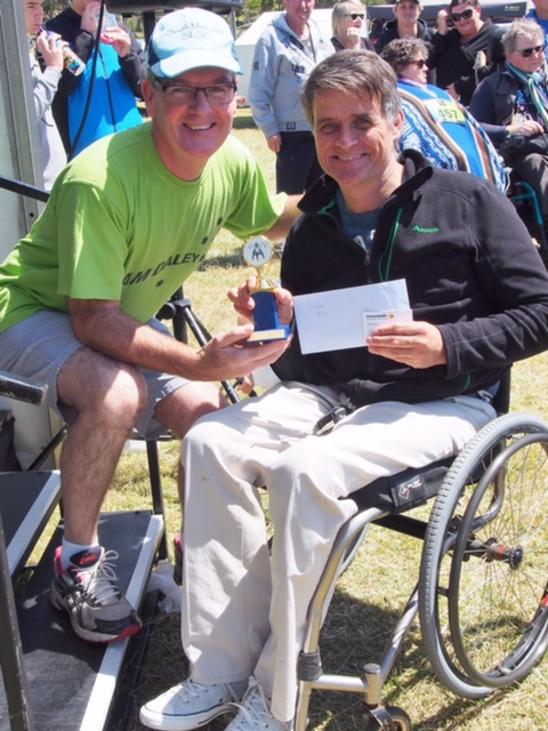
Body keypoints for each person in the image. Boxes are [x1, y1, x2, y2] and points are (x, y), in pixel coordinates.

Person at [139, 49, 548, 731]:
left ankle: (278, 698)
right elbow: (308, 349)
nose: (345, 142)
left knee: (305, 472)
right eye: (328, 128)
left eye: (362, 122)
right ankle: (216, 670)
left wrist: (447, 344)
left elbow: (539, 311)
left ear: (393, 118)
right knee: (210, 440)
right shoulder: (317, 218)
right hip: (332, 393)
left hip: (439, 400)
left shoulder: (466, 200)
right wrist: (274, 330)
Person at [0, 8, 299, 645]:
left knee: (208, 412)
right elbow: (91, 320)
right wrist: (197, 359)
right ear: (149, 95)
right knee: (118, 393)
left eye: (217, 86)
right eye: (181, 88)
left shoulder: (231, 163)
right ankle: (76, 564)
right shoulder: (99, 178)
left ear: (235, 95)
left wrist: (355, 181)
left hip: (113, 320)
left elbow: (271, 221)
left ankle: (202, 564)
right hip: (29, 314)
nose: (202, 106)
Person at [380, 38, 506, 190]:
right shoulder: (394, 97)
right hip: (441, 179)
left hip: (480, 170)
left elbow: (471, 125)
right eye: (420, 63)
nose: (426, 68)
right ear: (399, 66)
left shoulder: (438, 92)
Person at [470, 18, 548, 253]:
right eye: (527, 52)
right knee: (536, 165)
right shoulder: (491, 85)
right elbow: (475, 127)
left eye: (539, 49)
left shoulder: (544, 80)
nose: (536, 55)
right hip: (521, 152)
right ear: (509, 54)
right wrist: (511, 130)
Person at [248, 0, 333, 194]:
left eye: (309, 0)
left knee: (323, 198)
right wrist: (270, 129)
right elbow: (258, 90)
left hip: (322, 130)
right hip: (291, 137)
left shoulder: (320, 35)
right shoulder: (270, 38)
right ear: (285, 2)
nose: (303, 5)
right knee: (291, 202)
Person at [45, 0, 144, 157]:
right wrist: (84, 36)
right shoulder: (54, 32)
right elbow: (62, 87)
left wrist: (128, 56)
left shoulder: (118, 27)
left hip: (132, 146)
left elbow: (143, 89)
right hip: (86, 155)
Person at [23, 0, 67, 190]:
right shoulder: (8, 55)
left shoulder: (25, 47)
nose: (40, 13)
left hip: (50, 179)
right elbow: (25, 114)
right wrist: (53, 69)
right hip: (35, 187)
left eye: (41, 5)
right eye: (31, 6)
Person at [430, 0, 504, 106]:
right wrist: (441, 32)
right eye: (456, 17)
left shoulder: (496, 37)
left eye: (467, 14)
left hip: (481, 108)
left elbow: (500, 72)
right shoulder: (448, 37)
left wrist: (459, 86)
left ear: (478, 10)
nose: (462, 20)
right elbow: (428, 62)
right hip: (446, 107)